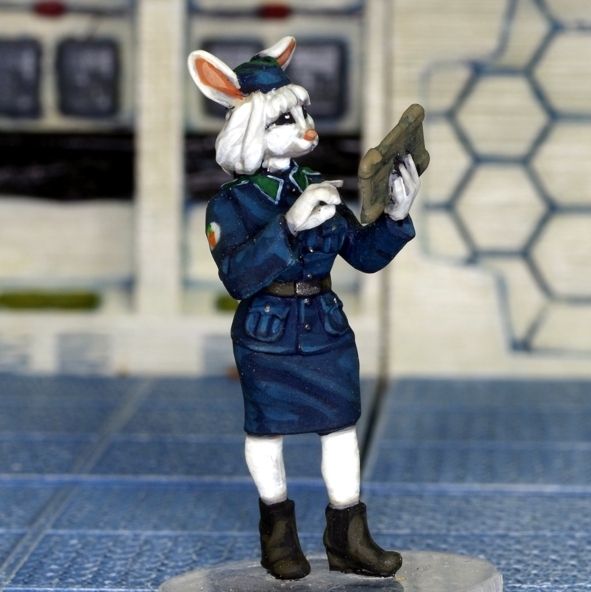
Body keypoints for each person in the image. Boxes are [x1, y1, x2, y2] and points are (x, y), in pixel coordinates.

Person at [188, 36, 420, 580]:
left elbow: (362, 256)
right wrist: (288, 227)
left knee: (341, 429)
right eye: (285, 119)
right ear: (251, 129)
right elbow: (237, 277)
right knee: (266, 434)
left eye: (303, 114)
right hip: (267, 334)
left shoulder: (320, 187)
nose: (306, 128)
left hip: (324, 329)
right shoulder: (231, 203)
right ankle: (279, 536)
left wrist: (394, 218)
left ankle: (348, 537)